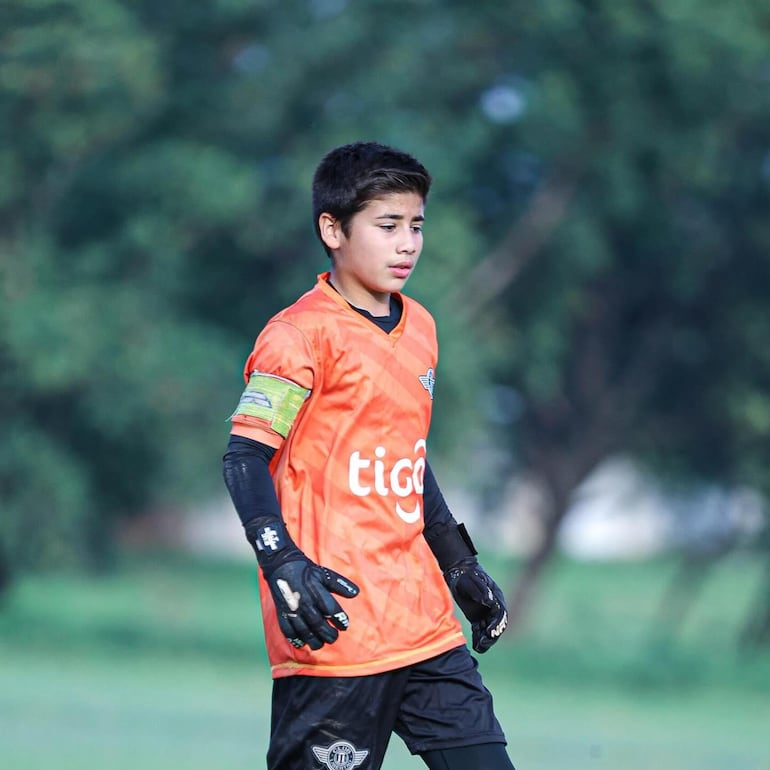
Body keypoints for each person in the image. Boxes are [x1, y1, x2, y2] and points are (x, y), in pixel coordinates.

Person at [223, 141, 514, 770]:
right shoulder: (296, 336)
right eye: (387, 227)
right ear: (332, 229)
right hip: (336, 627)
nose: (407, 243)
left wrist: (459, 564)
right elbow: (243, 458)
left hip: (424, 625)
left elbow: (408, 457)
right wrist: (283, 565)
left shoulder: (424, 328)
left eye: (416, 226)